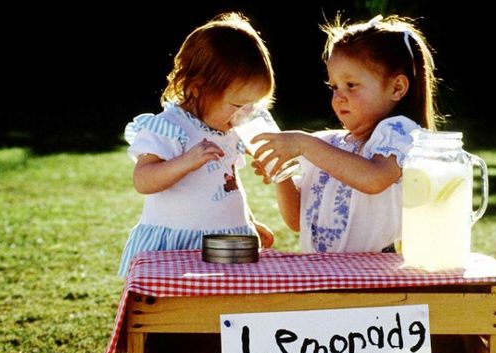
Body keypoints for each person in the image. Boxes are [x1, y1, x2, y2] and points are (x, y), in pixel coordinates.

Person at [252, 15, 440, 253]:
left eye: (351, 85)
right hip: (326, 280)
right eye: (334, 87)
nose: (339, 96)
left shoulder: (400, 135)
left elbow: (374, 178)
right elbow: (297, 220)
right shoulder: (327, 145)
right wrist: (281, 173)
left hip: (379, 282)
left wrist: (304, 144)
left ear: (397, 88)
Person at [118, 12, 275, 276]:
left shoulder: (228, 130)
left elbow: (227, 185)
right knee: (176, 313)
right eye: (238, 105)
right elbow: (143, 180)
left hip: (226, 243)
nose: (244, 115)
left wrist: (248, 221)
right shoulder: (171, 127)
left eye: (252, 107)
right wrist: (186, 162)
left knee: (220, 311)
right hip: (178, 246)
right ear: (196, 88)